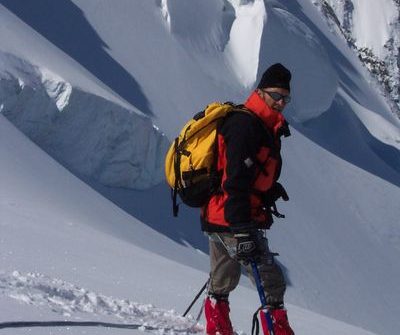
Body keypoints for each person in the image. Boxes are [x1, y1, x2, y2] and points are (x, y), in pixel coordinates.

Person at [201, 63, 295, 335]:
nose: (280, 103)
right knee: (271, 281)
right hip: (233, 216)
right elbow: (235, 179)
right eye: (276, 96)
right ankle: (276, 330)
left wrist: (266, 190)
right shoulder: (245, 125)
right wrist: (242, 230)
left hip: (220, 213)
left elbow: (250, 172)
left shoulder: (261, 124)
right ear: (261, 92)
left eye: (285, 98)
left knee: (223, 276)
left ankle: (217, 325)